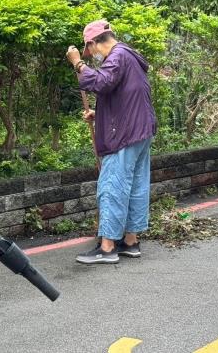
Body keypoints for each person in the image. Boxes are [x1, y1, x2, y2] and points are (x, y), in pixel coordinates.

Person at [66, 20, 156, 264]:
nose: (92, 55)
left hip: (125, 135)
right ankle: (130, 241)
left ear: (93, 43)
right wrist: (100, 113)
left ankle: (107, 247)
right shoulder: (129, 56)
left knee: (113, 186)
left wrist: (77, 63)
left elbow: (101, 83)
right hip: (141, 130)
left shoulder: (116, 56)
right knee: (136, 185)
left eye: (91, 50)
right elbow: (124, 94)